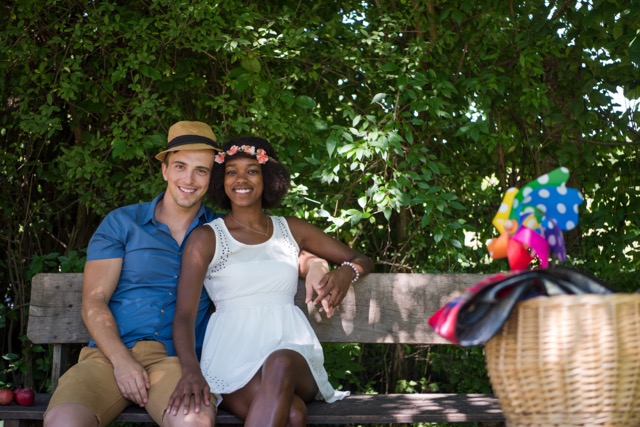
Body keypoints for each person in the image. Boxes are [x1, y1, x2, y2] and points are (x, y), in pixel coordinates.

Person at [43, 122, 327, 427]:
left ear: (211, 179)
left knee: (193, 421)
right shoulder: (123, 223)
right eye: (180, 166)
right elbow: (94, 301)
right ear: (165, 170)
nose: (189, 179)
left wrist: (316, 264)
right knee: (64, 420)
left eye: (201, 170)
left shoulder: (221, 232)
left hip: (178, 362)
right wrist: (123, 362)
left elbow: (278, 250)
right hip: (108, 357)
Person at [166, 136, 374, 427]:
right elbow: (184, 315)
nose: (241, 179)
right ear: (220, 181)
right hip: (231, 357)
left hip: (293, 354)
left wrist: (345, 272)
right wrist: (190, 371)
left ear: (268, 178)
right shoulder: (206, 238)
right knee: (292, 415)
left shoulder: (291, 229)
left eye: (252, 170)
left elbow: (362, 258)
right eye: (231, 171)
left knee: (279, 361)